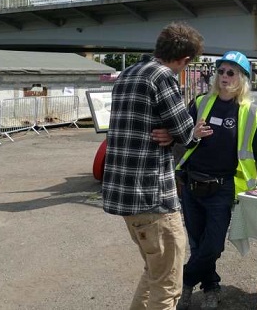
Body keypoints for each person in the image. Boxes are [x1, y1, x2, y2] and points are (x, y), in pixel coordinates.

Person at [175, 51, 257, 310]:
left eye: (231, 72)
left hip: (222, 188)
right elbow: (181, 135)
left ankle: (182, 280)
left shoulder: (249, 112)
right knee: (198, 244)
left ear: (242, 79)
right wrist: (191, 133)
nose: (224, 77)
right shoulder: (201, 102)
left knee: (213, 246)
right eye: (221, 71)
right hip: (192, 184)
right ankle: (211, 287)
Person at [101, 22, 205, 310]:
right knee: (168, 286)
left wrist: (168, 132)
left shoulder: (129, 74)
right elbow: (186, 131)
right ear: (184, 60)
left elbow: (145, 124)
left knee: (154, 272)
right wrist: (176, 132)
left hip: (125, 197)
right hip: (153, 198)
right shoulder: (162, 77)